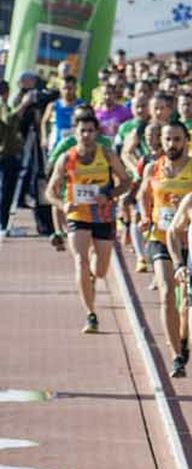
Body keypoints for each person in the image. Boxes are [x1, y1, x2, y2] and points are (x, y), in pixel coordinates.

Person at [46, 106, 131, 333]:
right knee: (80, 261)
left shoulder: (107, 154)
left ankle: (92, 277)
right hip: (77, 215)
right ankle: (91, 314)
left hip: (102, 215)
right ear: (75, 132)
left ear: (97, 132)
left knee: (100, 271)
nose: (86, 135)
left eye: (91, 131)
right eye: (82, 131)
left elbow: (126, 181)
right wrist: (62, 204)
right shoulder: (67, 158)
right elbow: (50, 192)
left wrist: (109, 194)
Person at [139, 118, 192, 375]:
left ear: (186, 141)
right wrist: (145, 215)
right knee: (166, 292)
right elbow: (143, 194)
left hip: (189, 241)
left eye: (177, 139)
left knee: (186, 299)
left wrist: (189, 209)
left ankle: (184, 339)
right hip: (160, 238)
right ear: (160, 141)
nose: (172, 144)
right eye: (167, 139)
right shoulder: (153, 168)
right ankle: (175, 355)